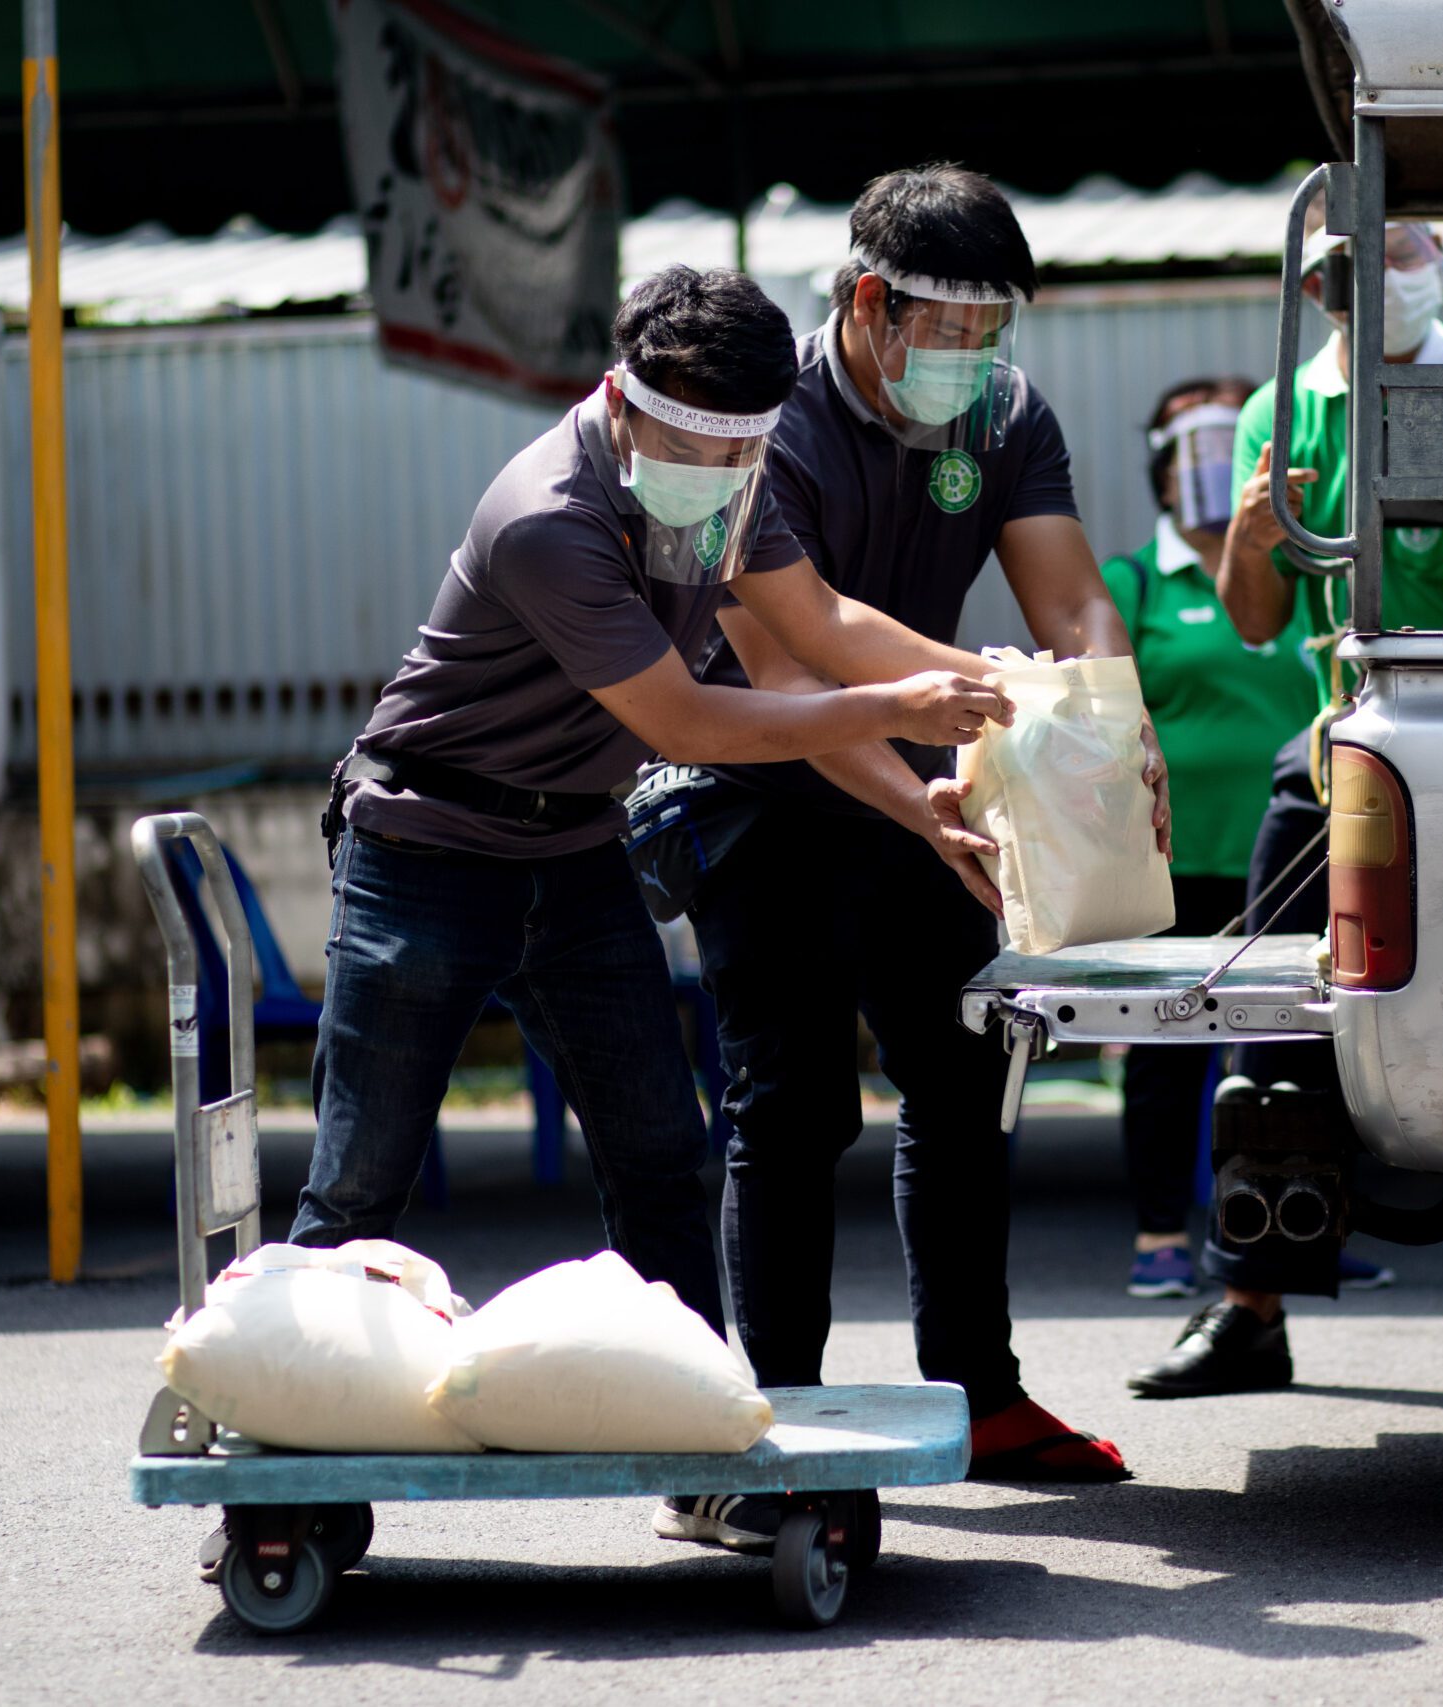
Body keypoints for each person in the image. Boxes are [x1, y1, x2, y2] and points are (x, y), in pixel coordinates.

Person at [296, 266, 1016, 1550]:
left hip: (573, 853)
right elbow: (687, 719)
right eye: (684, 440)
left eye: (741, 447)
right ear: (619, 398)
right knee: (360, 1180)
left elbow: (825, 627)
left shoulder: (723, 493)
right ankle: (296, 1467)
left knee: (660, 1162)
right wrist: (899, 715)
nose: (710, 466)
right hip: (426, 845)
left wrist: (1021, 694)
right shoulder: (547, 515)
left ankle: (699, 1454)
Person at [677, 164, 1163, 1486]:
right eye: (946, 333)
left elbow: (1071, 606)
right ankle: (766, 1420)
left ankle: (981, 1391)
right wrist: (927, 803)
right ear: (870, 303)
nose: (970, 362)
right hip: (761, 784)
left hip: (930, 779)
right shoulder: (759, 425)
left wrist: (1111, 730)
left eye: (991, 334)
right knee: (791, 1105)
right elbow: (787, 675)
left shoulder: (1003, 415)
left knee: (961, 1083)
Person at [1127, 217, 1443, 1404]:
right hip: (1342, 745)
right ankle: (1248, 1305)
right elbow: (1255, 617)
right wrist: (1253, 536)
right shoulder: (1283, 407)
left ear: (1432, 261)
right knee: (1269, 1023)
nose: (1373, 286)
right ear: (1314, 288)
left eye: (1395, 257)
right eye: (1345, 272)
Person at [1101, 376, 1389, 1299]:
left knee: (1299, 1052)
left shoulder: (1311, 565)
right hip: (1176, 866)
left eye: (1230, 447)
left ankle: (1309, 1222)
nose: (1212, 469)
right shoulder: (1133, 581)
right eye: (1192, 451)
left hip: (1300, 859)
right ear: (1160, 470)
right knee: (1165, 1059)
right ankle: (1159, 1237)